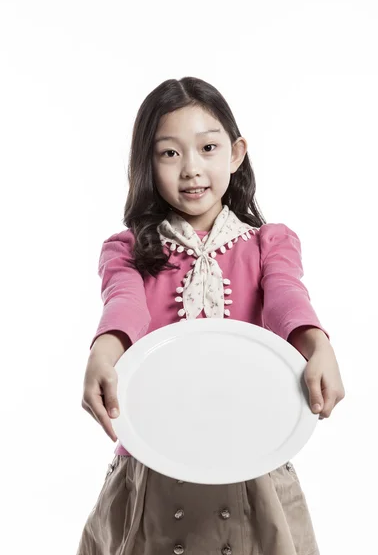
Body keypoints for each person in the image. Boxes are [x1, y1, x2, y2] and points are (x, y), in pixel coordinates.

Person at [77, 76, 345, 555]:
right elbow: (126, 306)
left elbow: (286, 297)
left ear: (236, 153)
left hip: (252, 465)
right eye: (170, 153)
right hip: (153, 466)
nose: (191, 169)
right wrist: (103, 351)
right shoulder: (127, 250)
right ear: (147, 163)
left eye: (207, 148)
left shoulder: (269, 244)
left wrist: (317, 344)